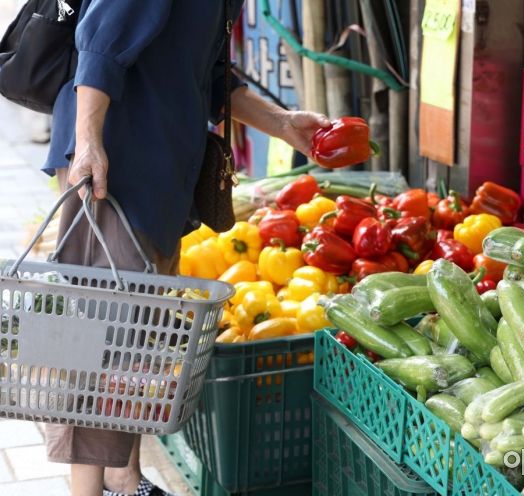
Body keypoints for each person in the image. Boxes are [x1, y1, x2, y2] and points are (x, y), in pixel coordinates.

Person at [41, 1, 330, 495]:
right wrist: (88, 142)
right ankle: (90, 489)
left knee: (137, 336)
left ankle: (123, 479)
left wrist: (282, 124)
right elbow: (99, 43)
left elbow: (209, 73)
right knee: (99, 339)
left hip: (160, 173)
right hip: (115, 167)